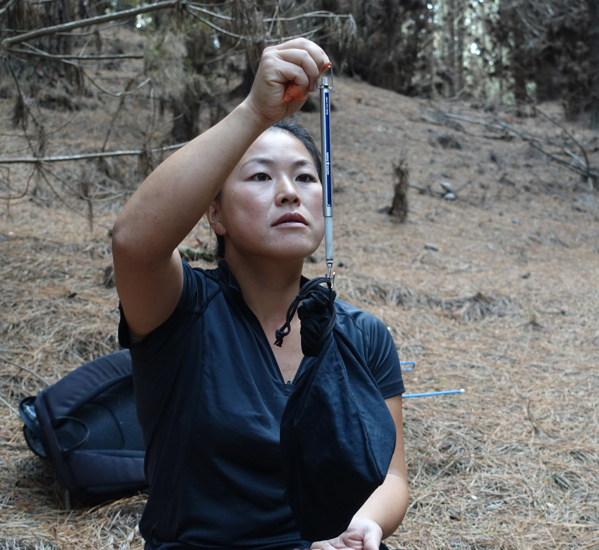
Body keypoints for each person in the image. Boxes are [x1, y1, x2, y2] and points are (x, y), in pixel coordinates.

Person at [111, 39, 408, 550]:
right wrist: (254, 112)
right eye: (261, 176)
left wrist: (364, 524)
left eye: (305, 177)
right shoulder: (181, 311)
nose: (290, 191)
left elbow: (392, 477)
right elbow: (133, 243)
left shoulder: (363, 335)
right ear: (216, 213)